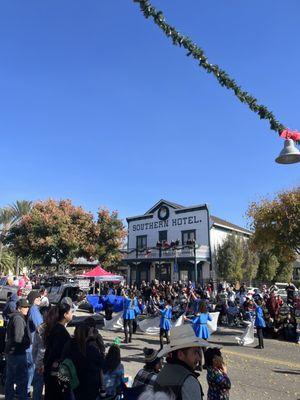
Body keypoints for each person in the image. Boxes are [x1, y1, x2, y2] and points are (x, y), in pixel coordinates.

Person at [154, 324, 209, 400]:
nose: (199, 358)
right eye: (195, 352)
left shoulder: (164, 371)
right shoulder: (188, 381)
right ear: (180, 354)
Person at [61, 322, 105, 400]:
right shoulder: (91, 349)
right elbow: (101, 366)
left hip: (71, 383)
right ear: (88, 335)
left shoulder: (69, 345)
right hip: (88, 386)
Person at [43, 303, 73, 400]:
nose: (72, 314)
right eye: (71, 312)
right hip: (55, 372)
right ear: (65, 315)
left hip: (50, 370)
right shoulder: (60, 331)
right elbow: (56, 352)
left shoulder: (55, 327)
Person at [5, 298, 31, 400]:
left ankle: (9, 397)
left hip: (12, 352)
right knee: (22, 379)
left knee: (10, 378)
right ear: (19, 308)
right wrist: (27, 343)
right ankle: (21, 397)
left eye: (27, 307)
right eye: (25, 307)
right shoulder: (19, 318)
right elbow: (19, 338)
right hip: (17, 353)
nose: (27, 309)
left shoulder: (16, 317)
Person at [27, 291, 43, 397]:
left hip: (31, 345)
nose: (40, 300)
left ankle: (26, 390)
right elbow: (40, 328)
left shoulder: (34, 309)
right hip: (32, 346)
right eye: (38, 298)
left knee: (31, 369)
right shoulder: (33, 309)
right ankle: (26, 390)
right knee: (32, 369)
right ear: (34, 300)